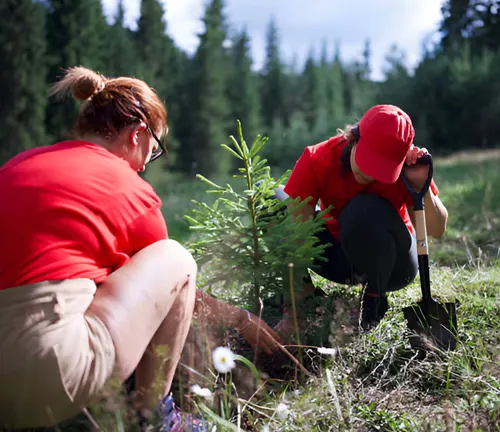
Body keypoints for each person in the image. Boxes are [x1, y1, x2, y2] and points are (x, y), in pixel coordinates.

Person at [0, 66, 282, 431]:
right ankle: (155, 418)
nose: (149, 162)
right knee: (176, 259)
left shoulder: (18, 164)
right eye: (156, 147)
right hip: (43, 375)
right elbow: (180, 294)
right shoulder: (126, 187)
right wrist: (243, 320)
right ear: (137, 134)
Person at [270, 104, 449, 337]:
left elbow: (437, 229)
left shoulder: (407, 170)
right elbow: (296, 231)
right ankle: (307, 297)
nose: (371, 175)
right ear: (354, 137)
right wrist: (293, 305)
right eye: (369, 161)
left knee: (362, 208)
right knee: (273, 203)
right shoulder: (318, 158)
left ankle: (375, 298)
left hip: (395, 264)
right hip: (338, 259)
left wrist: (422, 187)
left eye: (382, 169)